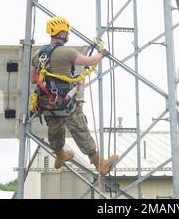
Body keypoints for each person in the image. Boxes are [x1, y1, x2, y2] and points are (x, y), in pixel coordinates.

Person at [30, 16, 118, 175]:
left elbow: (33, 79)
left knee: (55, 129)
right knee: (79, 128)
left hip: (46, 103)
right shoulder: (67, 52)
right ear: (62, 33)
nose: (68, 35)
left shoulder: (38, 54)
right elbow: (89, 62)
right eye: (67, 32)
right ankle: (99, 164)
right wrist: (102, 53)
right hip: (64, 102)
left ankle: (60, 156)